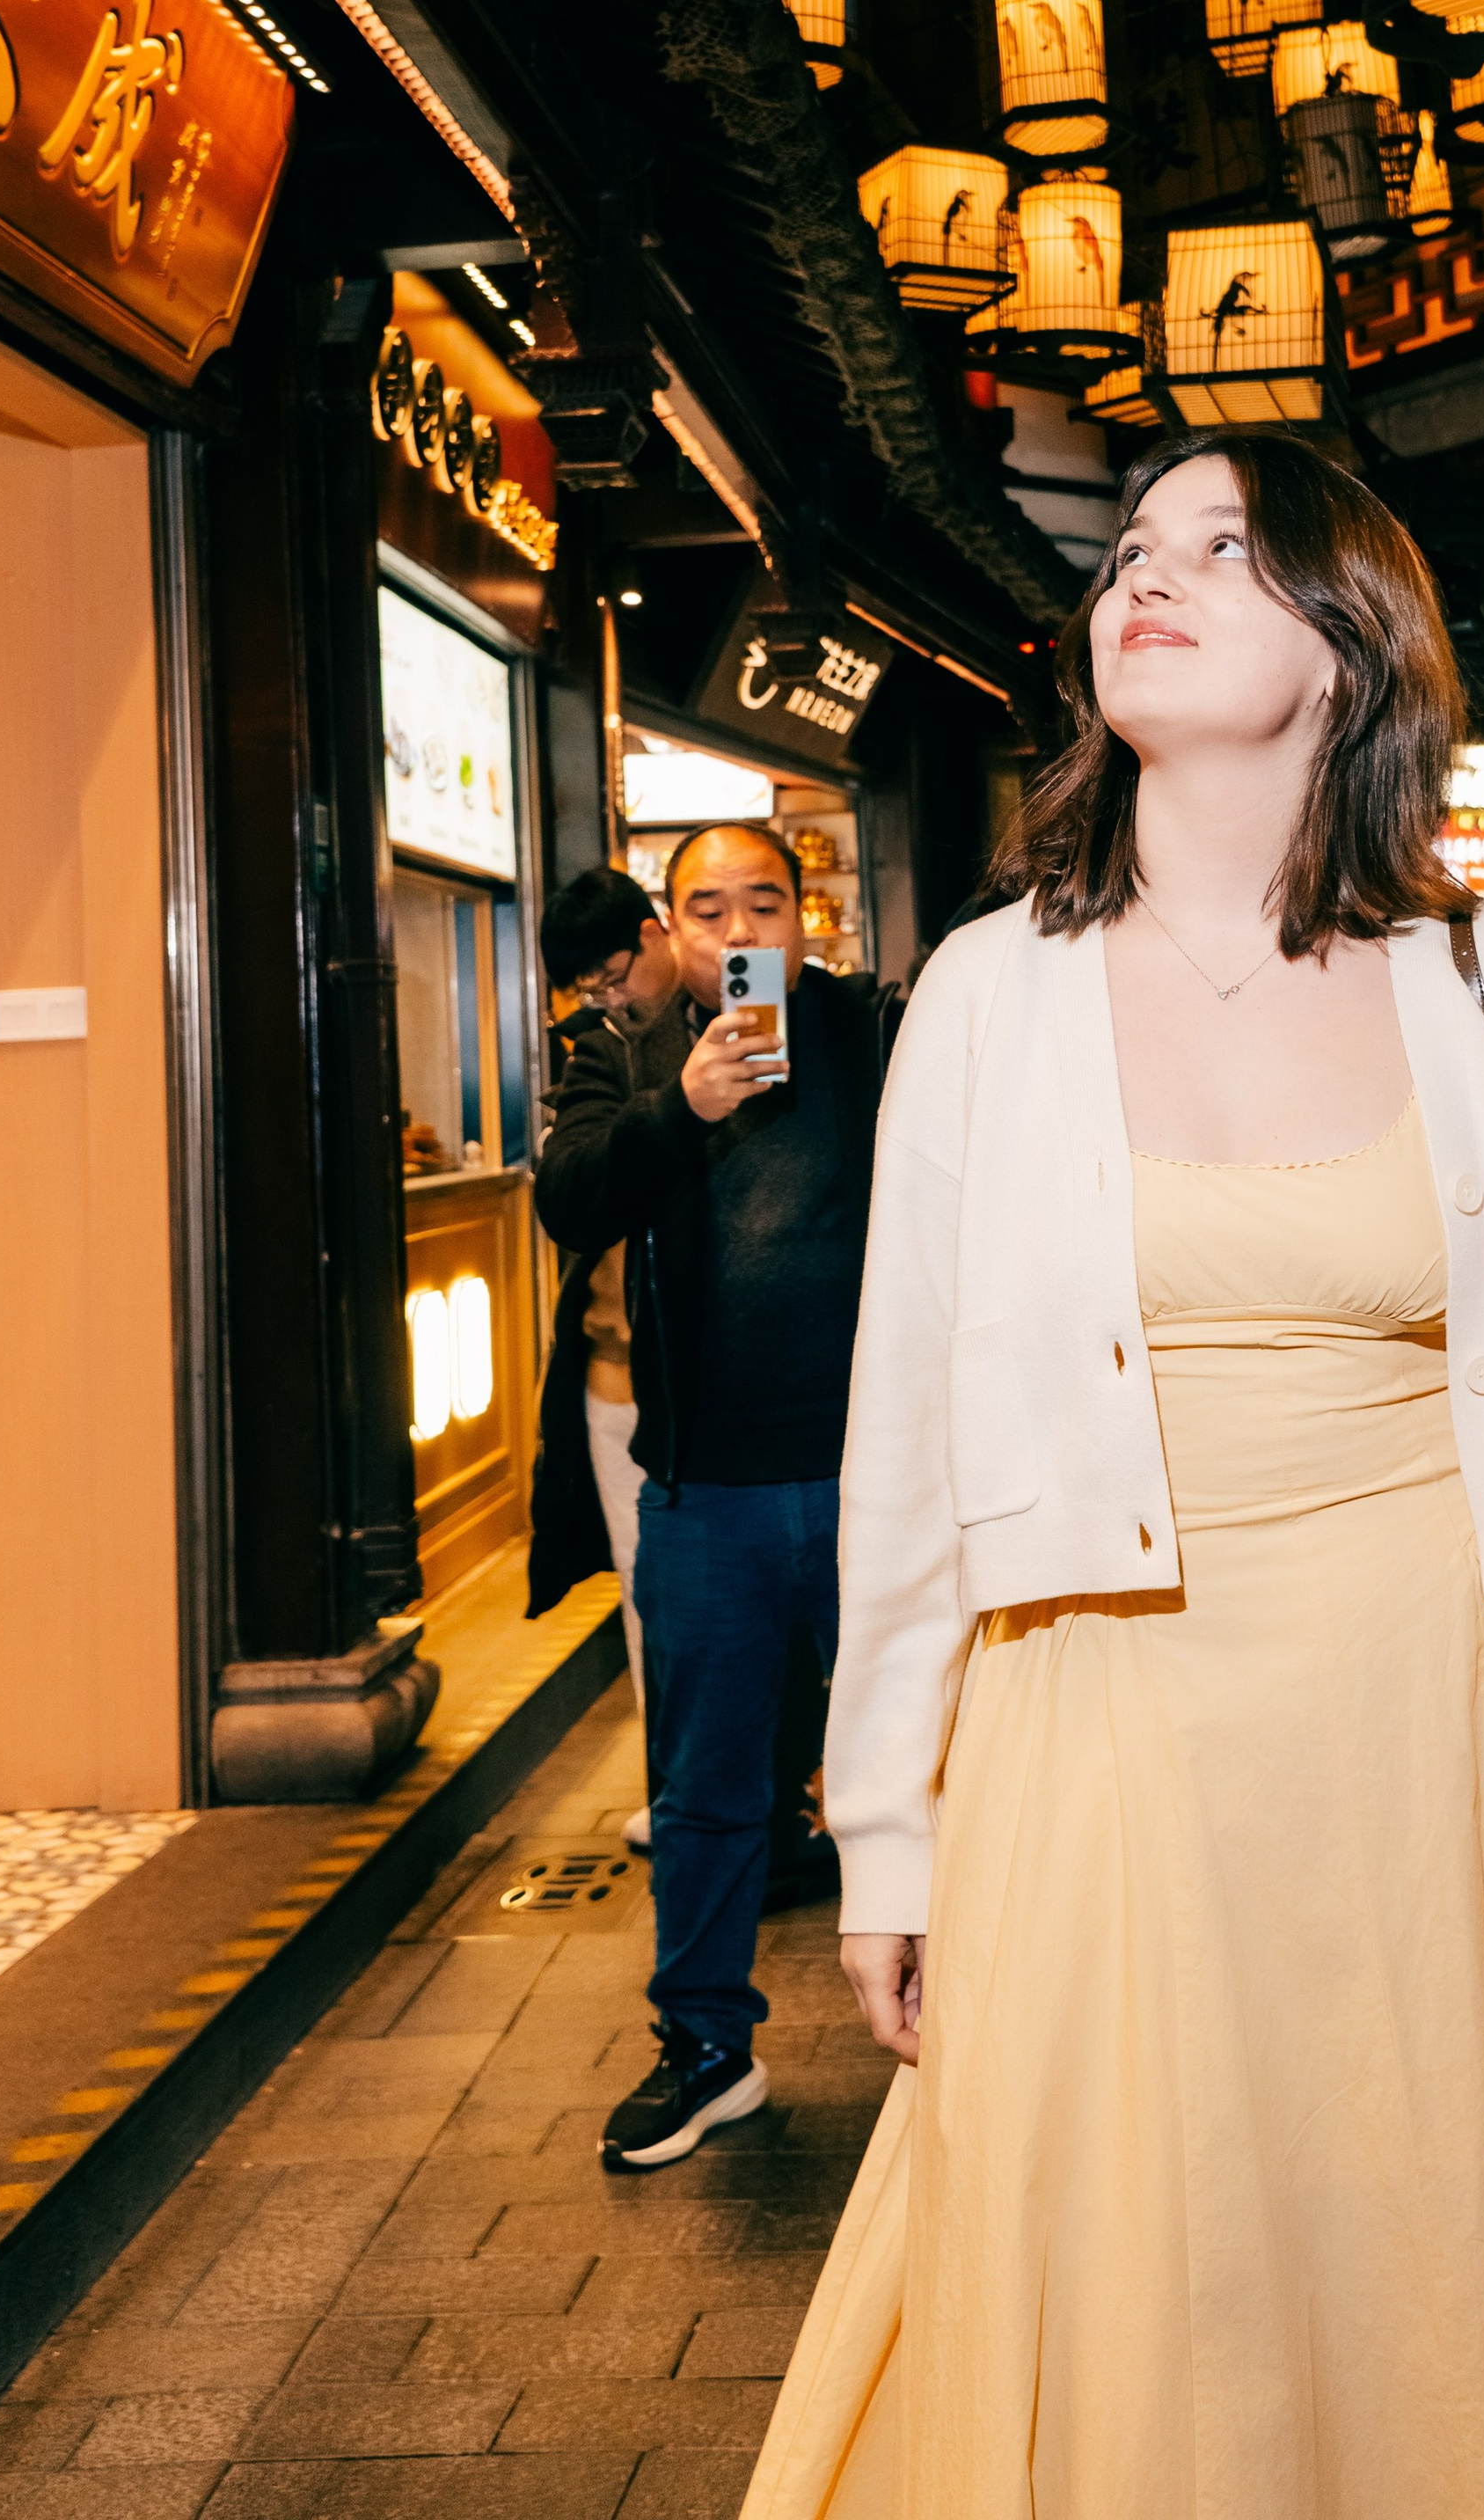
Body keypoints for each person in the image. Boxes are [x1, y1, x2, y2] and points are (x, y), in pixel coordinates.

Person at [746, 436, 1484, 2520]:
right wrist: (888, 1833)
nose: (1143, 580)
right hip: (1106, 1744)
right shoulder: (987, 1001)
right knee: (1154, 2310)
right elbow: (901, 1446)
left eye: (1221, 550)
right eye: (1130, 552)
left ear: (1350, 643)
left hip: (1482, 1736)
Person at [534, 819, 885, 2172]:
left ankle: (991, 2023)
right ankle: (705, 2049)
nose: (740, 931)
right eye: (708, 909)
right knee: (705, 1787)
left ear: (807, 918)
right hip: (703, 1490)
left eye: (765, 903)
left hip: (878, 1483)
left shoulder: (875, 1032)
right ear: (670, 933)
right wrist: (683, 1108)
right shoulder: (621, 1055)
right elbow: (569, 1199)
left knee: (927, 1768)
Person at [526, 865, 683, 1851]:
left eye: (613, 973)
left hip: (724, 1381)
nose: (607, 996)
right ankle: (674, 1791)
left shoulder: (743, 1034)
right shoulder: (599, 1059)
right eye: (586, 988)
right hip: (615, 1381)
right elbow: (571, 1193)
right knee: (648, 1595)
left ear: (653, 932)